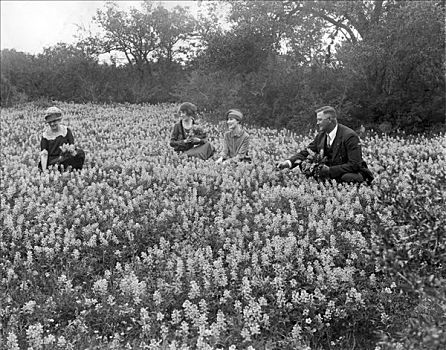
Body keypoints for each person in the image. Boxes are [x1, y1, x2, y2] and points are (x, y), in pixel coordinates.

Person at [277, 106, 373, 184]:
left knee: (347, 177)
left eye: (320, 120)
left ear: (330, 119)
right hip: (331, 174)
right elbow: (307, 152)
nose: (317, 123)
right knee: (304, 165)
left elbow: (355, 165)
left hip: (349, 173)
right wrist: (288, 163)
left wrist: (329, 170)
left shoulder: (349, 136)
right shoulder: (321, 135)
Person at [39, 106, 85, 171]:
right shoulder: (45, 135)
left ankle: (75, 171)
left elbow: (72, 145)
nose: (52, 124)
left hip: (65, 158)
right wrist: (44, 171)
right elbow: (44, 154)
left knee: (80, 153)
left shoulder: (66, 130)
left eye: (54, 121)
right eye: (50, 122)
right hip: (53, 161)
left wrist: (68, 150)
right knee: (57, 164)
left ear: (59, 120)